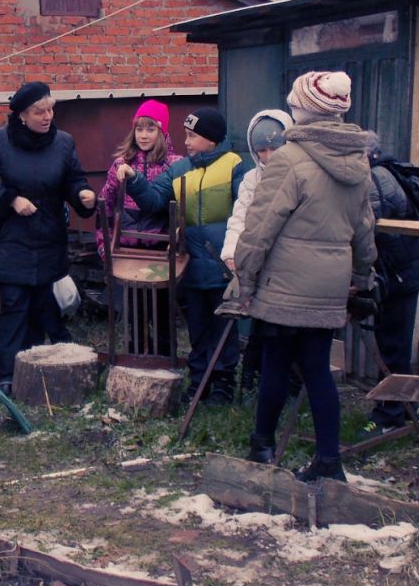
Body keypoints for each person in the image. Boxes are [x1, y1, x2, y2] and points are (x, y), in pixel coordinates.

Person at [227, 71, 376, 482]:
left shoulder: (289, 160)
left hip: (285, 284)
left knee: (275, 363)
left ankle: (261, 446)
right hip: (330, 285)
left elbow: (260, 227)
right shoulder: (357, 162)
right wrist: (363, 275)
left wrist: (246, 280)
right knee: (317, 369)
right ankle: (329, 461)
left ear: (302, 111)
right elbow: (364, 228)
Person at [0, 81, 96, 392]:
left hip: (48, 236)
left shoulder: (63, 143)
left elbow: (73, 179)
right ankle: (8, 374)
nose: (47, 116)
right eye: (39, 112)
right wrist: (10, 199)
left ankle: (39, 368)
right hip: (10, 239)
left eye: (50, 110)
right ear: (22, 115)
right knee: (14, 304)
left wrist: (82, 194)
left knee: (43, 304)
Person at [122, 107, 252, 404]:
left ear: (211, 138)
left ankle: (223, 382)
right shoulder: (180, 169)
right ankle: (199, 381)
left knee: (224, 327)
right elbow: (154, 200)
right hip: (191, 264)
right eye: (186, 135)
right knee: (198, 326)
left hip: (223, 266)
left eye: (193, 136)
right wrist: (135, 180)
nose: (187, 141)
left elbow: (246, 213)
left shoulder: (235, 167)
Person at [365, 132, 419, 430]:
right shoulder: (388, 172)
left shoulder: (376, 179)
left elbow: (368, 231)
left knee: (393, 347)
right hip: (404, 272)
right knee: (395, 344)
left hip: (398, 275)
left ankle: (391, 416)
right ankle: (403, 410)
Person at [98, 99, 182, 356]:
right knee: (134, 313)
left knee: (162, 312)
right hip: (128, 251)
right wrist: (105, 247)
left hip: (160, 250)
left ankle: (165, 360)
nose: (144, 135)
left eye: (151, 128)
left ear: (162, 131)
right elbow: (106, 207)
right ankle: (134, 358)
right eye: (139, 128)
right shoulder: (122, 164)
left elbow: (182, 212)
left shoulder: (174, 164)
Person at [223, 109, 292, 397]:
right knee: (259, 326)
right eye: (261, 150)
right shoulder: (252, 179)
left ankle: (289, 386)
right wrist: (231, 252)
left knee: (286, 330)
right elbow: (240, 217)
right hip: (258, 262)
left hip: (289, 265)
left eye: (274, 148)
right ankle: (251, 382)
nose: (267, 156)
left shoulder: (298, 175)